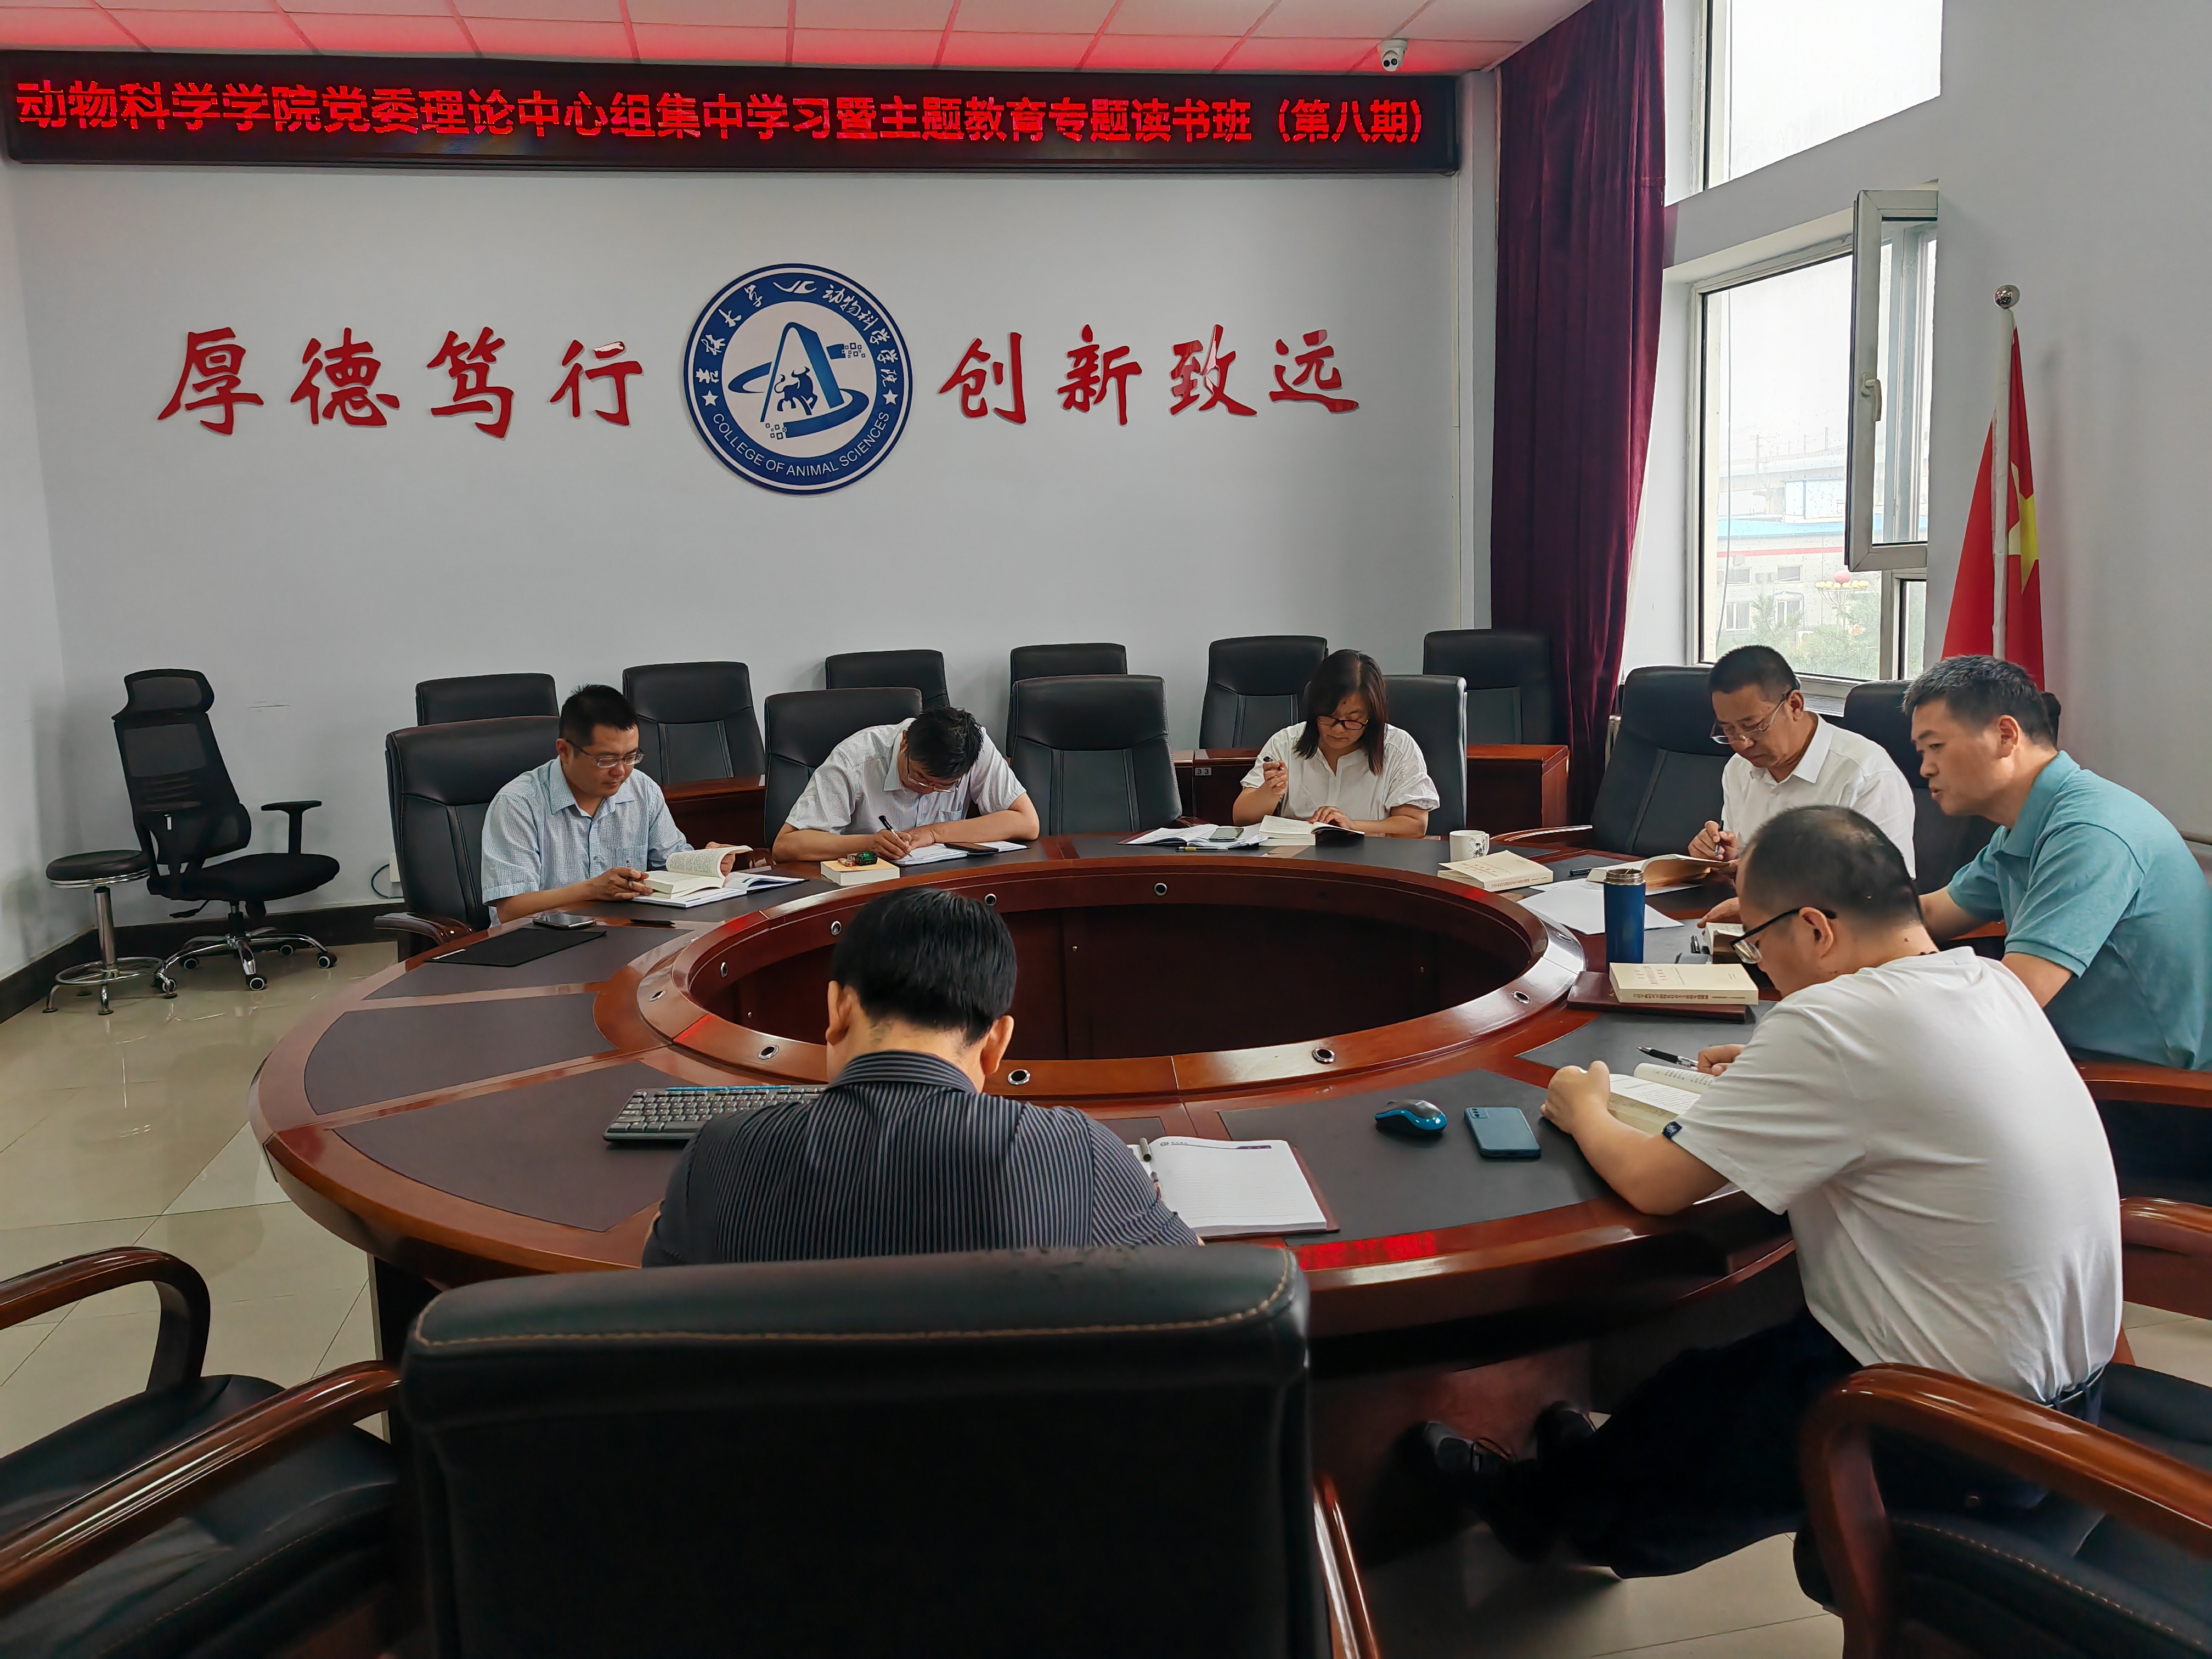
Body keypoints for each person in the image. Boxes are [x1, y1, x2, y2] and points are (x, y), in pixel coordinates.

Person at [1422, 804, 2120, 1576]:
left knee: (1687, 1417)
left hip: (1942, 1424)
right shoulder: (1987, 980)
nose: (1760, 966)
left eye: (1757, 941)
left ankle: (1550, 1520)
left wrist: (1584, 1108)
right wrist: (1773, 1068)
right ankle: (1584, 1485)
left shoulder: (1833, 1025)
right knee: (1694, 1390)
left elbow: (1656, 1184)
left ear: (1815, 929)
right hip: (2067, 1402)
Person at [643, 886, 1197, 1264]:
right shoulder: (1076, 1154)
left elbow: (660, 1316)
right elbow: (1196, 1291)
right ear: (996, 1045)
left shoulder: (720, 1156)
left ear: (838, 1010)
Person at [1909, 654, 2211, 1072]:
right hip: (2074, 1061)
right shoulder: (2027, 824)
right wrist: (1834, 924)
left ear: (2005, 736)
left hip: (2150, 1088)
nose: (1926, 768)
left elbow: (2009, 1000)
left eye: (1936, 747)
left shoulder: (2088, 831)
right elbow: (1932, 913)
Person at [1690, 648, 1915, 930]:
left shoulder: (1865, 774)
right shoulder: (1739, 768)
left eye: (1754, 727)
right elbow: (1749, 867)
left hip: (1839, 937)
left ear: (1795, 705)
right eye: (1729, 730)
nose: (1742, 743)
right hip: (1757, 933)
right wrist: (1727, 857)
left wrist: (1770, 910)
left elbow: (1884, 894)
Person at [481, 684, 736, 922]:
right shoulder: (518, 804)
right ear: (565, 751)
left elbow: (670, 863)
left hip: (624, 934)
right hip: (542, 945)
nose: (621, 772)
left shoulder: (643, 790)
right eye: (606, 760)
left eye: (630, 757)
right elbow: (510, 909)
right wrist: (591, 889)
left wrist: (707, 863)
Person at [771, 706, 1040, 864]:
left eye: (943, 786)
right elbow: (786, 846)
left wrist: (932, 833)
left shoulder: (974, 749)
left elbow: (1027, 822)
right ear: (904, 743)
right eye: (919, 777)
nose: (927, 790)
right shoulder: (855, 759)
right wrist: (870, 843)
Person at [1232, 649, 1439, 838]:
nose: (1339, 729)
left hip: (1370, 861)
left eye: (1353, 720)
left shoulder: (1398, 747)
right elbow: (1241, 818)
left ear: (1372, 715)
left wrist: (1352, 826)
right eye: (1330, 716)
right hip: (1299, 859)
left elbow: (1415, 825)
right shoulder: (1285, 743)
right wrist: (1270, 792)